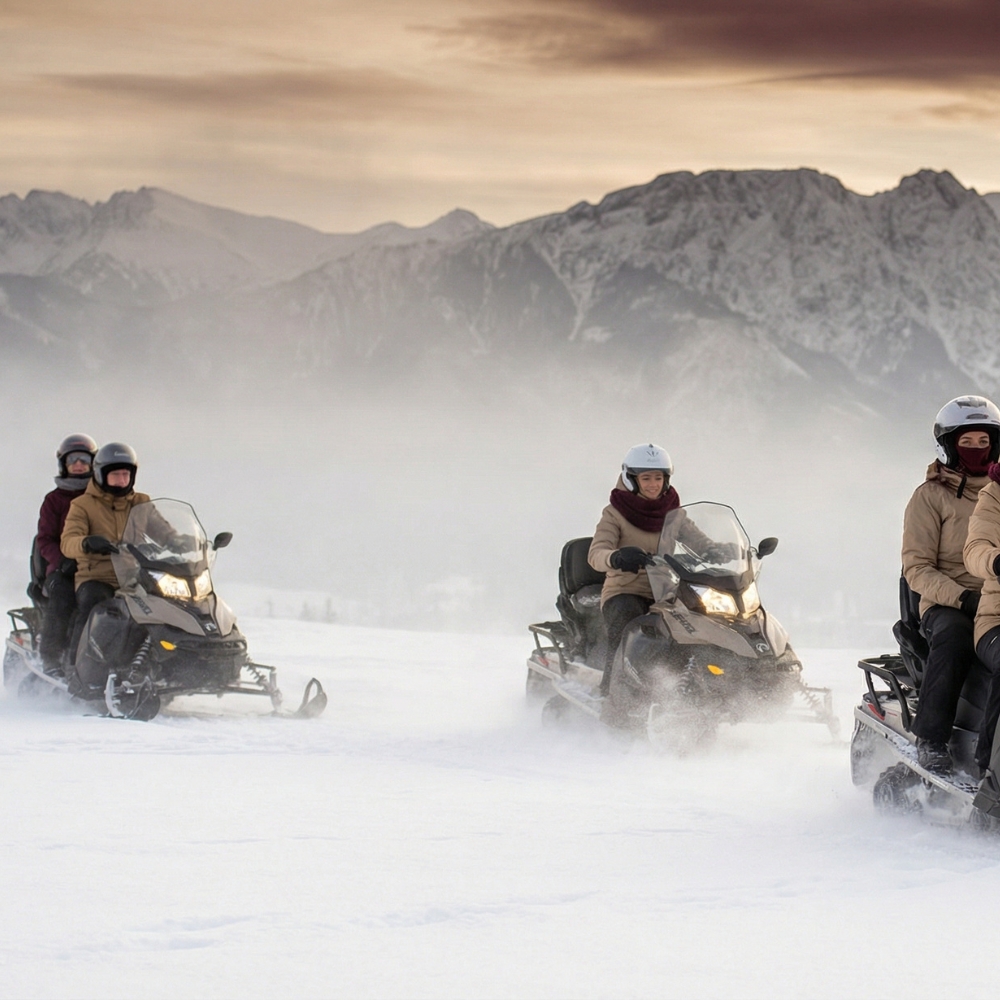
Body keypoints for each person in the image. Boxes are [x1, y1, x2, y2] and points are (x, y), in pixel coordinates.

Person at [901, 395, 1000, 774]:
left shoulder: (998, 495)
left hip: (995, 599)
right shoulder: (929, 497)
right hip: (947, 602)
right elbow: (917, 567)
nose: (976, 450)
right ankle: (932, 739)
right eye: (966, 442)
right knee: (957, 637)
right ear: (948, 446)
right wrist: (963, 598)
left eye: (984, 442)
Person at [588, 443, 682, 695]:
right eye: (646, 478)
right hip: (624, 589)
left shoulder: (672, 513)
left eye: (658, 478)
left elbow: (697, 538)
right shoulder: (614, 514)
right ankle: (611, 692)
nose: (653, 484)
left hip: (665, 592)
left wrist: (719, 548)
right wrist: (617, 557)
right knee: (628, 621)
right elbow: (596, 553)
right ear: (632, 480)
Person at [60, 442, 149, 666]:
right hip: (97, 576)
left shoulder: (141, 503)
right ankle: (76, 666)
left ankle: (160, 662)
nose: (121, 480)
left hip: (133, 575)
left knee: (168, 603)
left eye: (125, 474)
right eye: (115, 475)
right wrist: (87, 543)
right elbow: (67, 542)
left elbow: (164, 529)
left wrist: (181, 541)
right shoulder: (82, 505)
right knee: (94, 603)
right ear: (101, 475)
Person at [35, 434, 98, 672]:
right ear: (64, 464)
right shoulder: (54, 500)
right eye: (73, 460)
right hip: (64, 568)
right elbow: (45, 539)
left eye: (84, 459)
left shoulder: (102, 498)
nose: (79, 464)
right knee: (63, 596)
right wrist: (62, 561)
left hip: (99, 566)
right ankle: (52, 658)